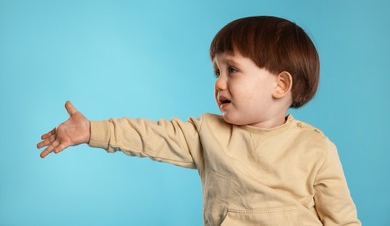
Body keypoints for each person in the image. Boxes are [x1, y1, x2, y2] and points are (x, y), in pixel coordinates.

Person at [37, 16, 361, 225]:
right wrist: (92, 130)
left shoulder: (315, 148)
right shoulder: (207, 133)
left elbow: (342, 220)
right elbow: (150, 136)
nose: (219, 83)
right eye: (216, 71)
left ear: (281, 85)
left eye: (231, 70)